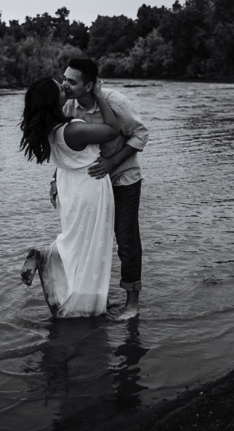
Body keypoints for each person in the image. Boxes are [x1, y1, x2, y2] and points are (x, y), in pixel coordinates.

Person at [18, 76, 123, 318]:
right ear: (52, 100)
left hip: (69, 185)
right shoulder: (72, 129)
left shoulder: (50, 129)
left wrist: (54, 180)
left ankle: (58, 270)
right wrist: (97, 93)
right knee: (91, 247)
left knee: (78, 243)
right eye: (59, 87)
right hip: (89, 186)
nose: (63, 87)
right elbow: (112, 130)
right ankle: (52, 264)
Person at [59, 58, 148, 320]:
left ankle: (132, 306)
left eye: (71, 81)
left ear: (89, 86)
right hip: (95, 184)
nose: (65, 84)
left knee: (126, 242)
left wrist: (111, 163)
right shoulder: (69, 107)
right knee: (93, 242)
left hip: (124, 179)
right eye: (64, 78)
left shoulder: (114, 101)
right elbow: (67, 147)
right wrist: (55, 180)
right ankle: (100, 299)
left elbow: (140, 134)